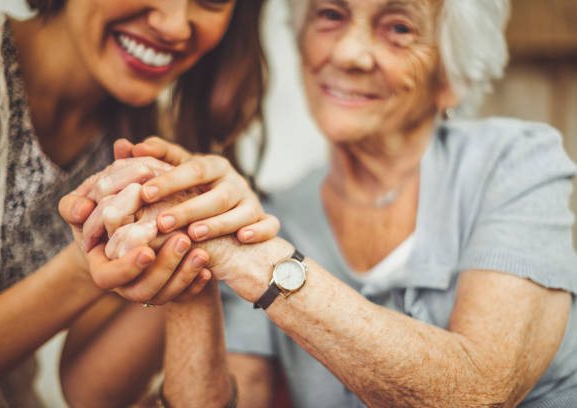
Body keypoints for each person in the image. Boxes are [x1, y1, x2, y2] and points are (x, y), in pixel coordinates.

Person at [64, 0, 577, 406]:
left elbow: (477, 393)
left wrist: (255, 259)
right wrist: (191, 245)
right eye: (330, 15)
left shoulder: (516, 161)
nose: (350, 53)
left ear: (451, 71)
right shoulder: (275, 209)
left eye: (398, 27)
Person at [0, 0, 279, 406]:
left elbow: (90, 393)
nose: (175, 26)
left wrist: (192, 253)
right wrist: (83, 270)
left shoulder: (150, 142)